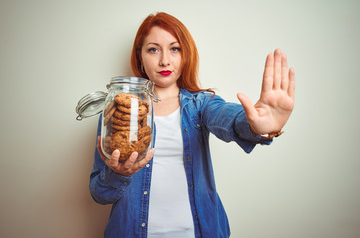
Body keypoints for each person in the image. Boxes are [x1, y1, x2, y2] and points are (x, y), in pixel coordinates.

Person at [89, 12, 295, 238]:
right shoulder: (118, 114)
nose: (165, 60)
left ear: (185, 55)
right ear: (140, 57)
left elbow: (227, 117)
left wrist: (257, 125)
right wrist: (118, 174)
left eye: (174, 48)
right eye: (153, 49)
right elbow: (100, 194)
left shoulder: (200, 105)